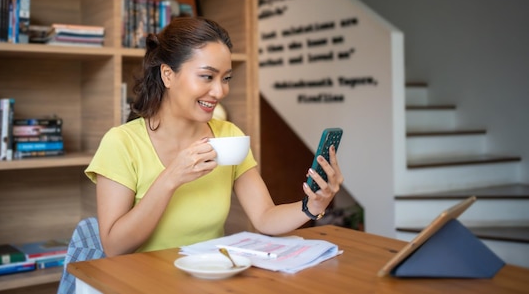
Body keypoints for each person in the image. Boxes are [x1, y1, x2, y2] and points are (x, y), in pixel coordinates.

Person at [85, 17, 343, 257]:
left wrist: (313, 206)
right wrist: (170, 178)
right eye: (207, 76)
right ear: (167, 75)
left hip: (211, 277)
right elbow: (114, 246)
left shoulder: (229, 136)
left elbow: (265, 216)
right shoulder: (121, 143)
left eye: (226, 78)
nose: (219, 91)